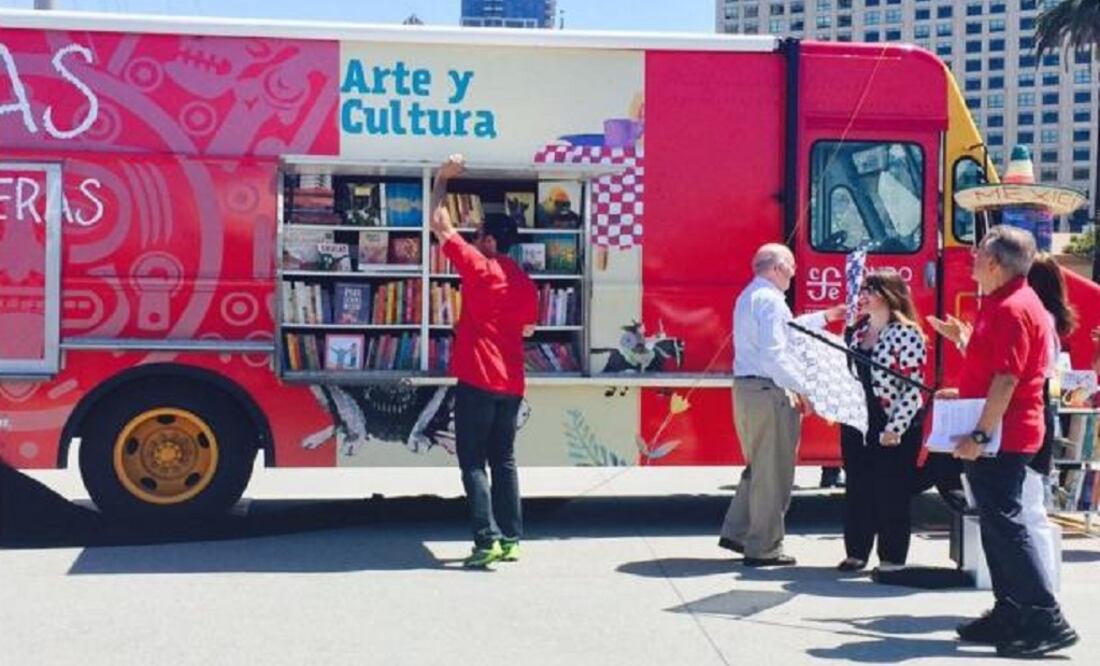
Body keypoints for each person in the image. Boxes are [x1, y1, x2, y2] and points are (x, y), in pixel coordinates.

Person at [935, 226, 1077, 658]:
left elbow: (1009, 379)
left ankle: (1044, 615)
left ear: (995, 263)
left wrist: (979, 434)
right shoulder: (1004, 302)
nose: (971, 259)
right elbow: (993, 370)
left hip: (1005, 434)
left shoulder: (1014, 307)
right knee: (997, 526)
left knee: (1008, 526)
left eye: (977, 253)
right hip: (1001, 429)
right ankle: (1010, 608)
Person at [429, 155, 538, 568]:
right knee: (504, 460)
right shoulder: (526, 283)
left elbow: (439, 223)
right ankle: (511, 538)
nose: (473, 239)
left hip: (477, 378)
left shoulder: (478, 267)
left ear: (491, 241)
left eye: (477, 234)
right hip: (511, 384)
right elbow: (528, 330)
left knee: (472, 461)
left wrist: (443, 179)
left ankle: (485, 540)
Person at [719, 243, 845, 567]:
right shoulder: (772, 302)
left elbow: (788, 332)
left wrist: (825, 317)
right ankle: (764, 547)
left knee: (760, 466)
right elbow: (775, 354)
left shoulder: (752, 296)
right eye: (790, 265)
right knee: (774, 472)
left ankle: (739, 531)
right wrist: (805, 390)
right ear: (776, 268)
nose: (795, 271)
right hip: (768, 391)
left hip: (749, 390)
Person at [836, 269, 927, 574]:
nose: (862, 296)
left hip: (892, 420)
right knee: (858, 487)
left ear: (889, 295)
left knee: (892, 491)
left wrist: (895, 428)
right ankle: (857, 552)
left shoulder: (907, 333)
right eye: (861, 290)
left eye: (869, 291)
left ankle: (892, 556)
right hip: (858, 421)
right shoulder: (857, 332)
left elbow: (912, 387)